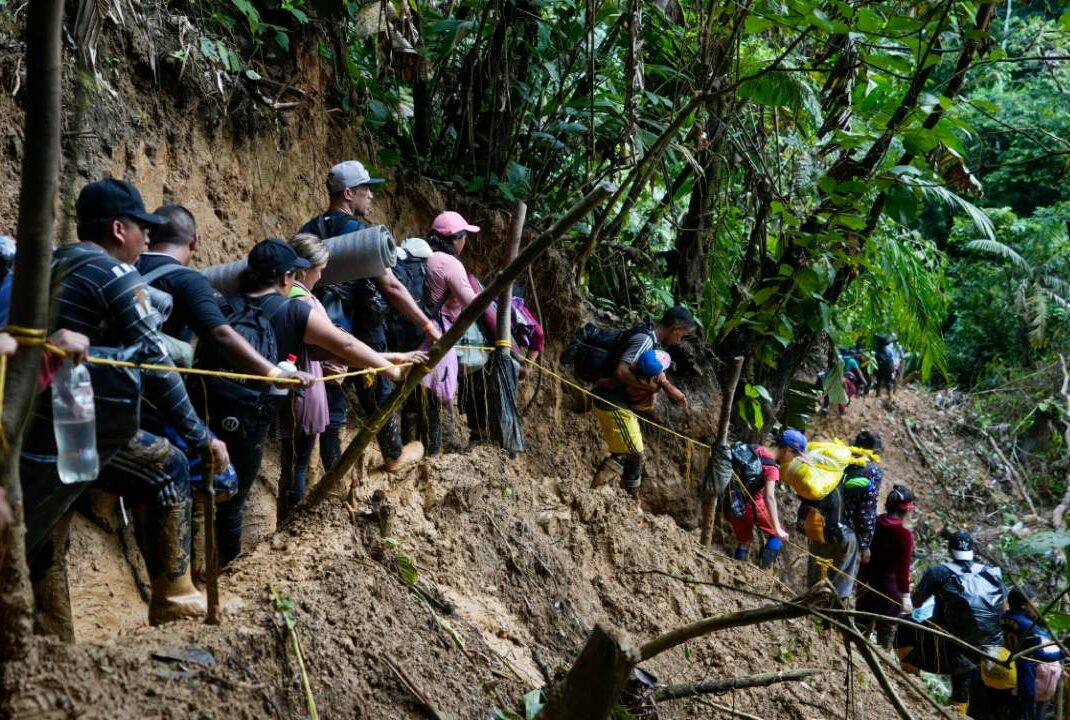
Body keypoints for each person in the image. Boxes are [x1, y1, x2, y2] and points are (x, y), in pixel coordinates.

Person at [20, 178, 229, 632]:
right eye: (142, 228)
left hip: (30, 423)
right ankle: (173, 594)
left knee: (45, 537)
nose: (147, 238)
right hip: (79, 424)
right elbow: (154, 362)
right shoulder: (114, 275)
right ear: (119, 229)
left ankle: (51, 641)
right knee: (168, 466)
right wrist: (199, 438)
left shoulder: (49, 264)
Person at [200, 238, 426, 565]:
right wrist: (389, 369)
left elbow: (328, 351)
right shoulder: (294, 309)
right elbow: (343, 345)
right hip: (253, 414)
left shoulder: (226, 304)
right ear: (285, 277)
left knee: (208, 488)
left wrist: (390, 356)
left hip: (209, 405)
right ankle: (229, 571)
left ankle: (201, 568)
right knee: (235, 500)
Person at [300, 160, 438, 472]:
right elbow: (391, 286)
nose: (371, 196)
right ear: (349, 193)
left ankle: (328, 474)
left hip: (314, 321)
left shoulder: (309, 228)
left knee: (332, 396)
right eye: (366, 190)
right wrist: (426, 324)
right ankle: (392, 454)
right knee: (376, 385)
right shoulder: (361, 234)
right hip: (355, 324)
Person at [588, 306, 693, 498]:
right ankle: (630, 499)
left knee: (623, 452)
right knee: (635, 453)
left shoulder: (650, 340)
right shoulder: (645, 340)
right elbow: (620, 372)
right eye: (681, 335)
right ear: (676, 328)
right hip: (613, 402)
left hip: (618, 402)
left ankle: (597, 495)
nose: (679, 340)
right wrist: (649, 389)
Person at [905, 531, 1006, 714]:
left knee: (905, 628)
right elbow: (1003, 608)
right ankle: (957, 711)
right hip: (985, 643)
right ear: (973, 550)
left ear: (949, 550)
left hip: (946, 639)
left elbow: (916, 603)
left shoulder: (938, 572)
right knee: (962, 684)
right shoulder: (990, 573)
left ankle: (909, 684)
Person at [277, 233, 331, 523]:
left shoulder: (284, 296)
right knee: (297, 465)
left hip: (297, 384)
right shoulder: (303, 301)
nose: (320, 275)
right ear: (303, 269)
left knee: (293, 464)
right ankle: (291, 526)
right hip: (304, 387)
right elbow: (329, 345)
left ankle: (286, 523)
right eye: (319, 269)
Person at [422, 211, 484, 453]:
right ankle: (434, 453)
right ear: (456, 239)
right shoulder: (450, 264)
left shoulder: (425, 256)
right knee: (435, 398)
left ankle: (419, 445)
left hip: (418, 329)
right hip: (438, 334)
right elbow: (472, 303)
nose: (465, 242)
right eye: (464, 236)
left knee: (416, 399)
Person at [727, 430, 800, 568]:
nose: (793, 459)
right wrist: (777, 528)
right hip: (752, 505)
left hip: (734, 502)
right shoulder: (772, 467)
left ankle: (735, 570)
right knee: (778, 534)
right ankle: (764, 572)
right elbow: (769, 497)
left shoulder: (756, 448)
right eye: (794, 455)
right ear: (788, 450)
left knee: (745, 540)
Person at [856, 484, 915, 648]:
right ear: (906, 511)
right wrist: (905, 596)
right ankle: (882, 659)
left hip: (865, 581)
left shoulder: (873, 522)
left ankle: (853, 653)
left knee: (860, 622)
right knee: (886, 628)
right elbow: (903, 571)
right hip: (888, 589)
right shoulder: (904, 535)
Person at [998, 586, 1063, 720]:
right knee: (1027, 714)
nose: (1038, 604)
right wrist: (1063, 653)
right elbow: (1041, 657)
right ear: (1024, 605)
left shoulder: (1003, 618)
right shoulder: (1030, 628)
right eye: (1034, 601)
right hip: (1025, 677)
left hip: (1003, 672)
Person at [844, 430, 883, 566]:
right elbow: (866, 510)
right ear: (875, 451)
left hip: (823, 526)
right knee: (839, 585)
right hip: (846, 534)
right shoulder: (872, 472)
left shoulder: (841, 460)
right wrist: (865, 545)